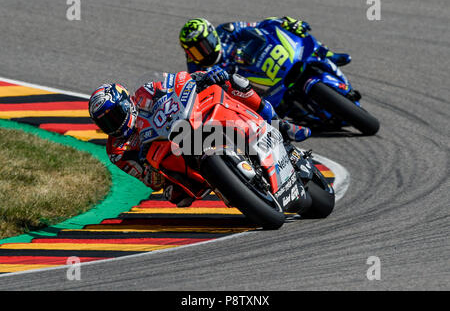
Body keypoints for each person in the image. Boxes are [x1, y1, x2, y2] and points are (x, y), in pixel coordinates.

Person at [89, 67, 310, 207]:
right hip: (168, 159)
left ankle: (279, 124)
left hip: (184, 125)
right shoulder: (117, 150)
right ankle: (233, 186)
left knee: (233, 82)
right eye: (105, 122)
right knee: (175, 196)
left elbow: (174, 83)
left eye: (115, 115)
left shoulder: (146, 92)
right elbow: (149, 181)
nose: (113, 124)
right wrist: (149, 168)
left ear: (127, 103)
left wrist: (202, 77)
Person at [179, 16, 351, 73]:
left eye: (204, 46)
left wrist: (284, 22)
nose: (202, 53)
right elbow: (200, 91)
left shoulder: (226, 31)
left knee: (293, 30)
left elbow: (259, 26)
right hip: (248, 86)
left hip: (264, 61)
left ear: (212, 36)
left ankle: (327, 54)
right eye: (195, 51)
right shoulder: (196, 67)